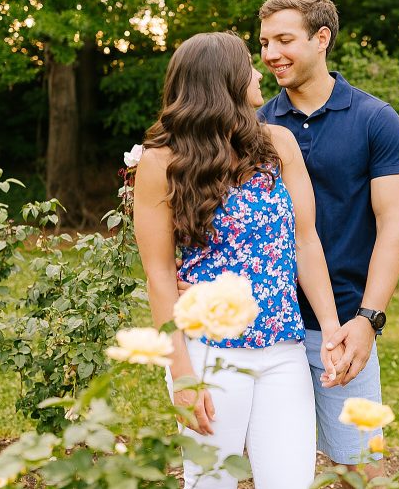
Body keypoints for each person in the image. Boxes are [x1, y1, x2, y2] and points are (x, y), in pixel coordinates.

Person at [133, 32, 343, 489]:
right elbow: (158, 274)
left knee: (290, 481)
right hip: (209, 351)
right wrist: (183, 374)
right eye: (248, 63)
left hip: (282, 347)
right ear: (222, 80)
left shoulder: (278, 144)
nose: (259, 70)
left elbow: (305, 242)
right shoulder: (161, 161)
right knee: (210, 482)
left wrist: (329, 326)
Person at [256, 0, 399, 471]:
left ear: (321, 38)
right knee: (275, 469)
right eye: (264, 43)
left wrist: (369, 319)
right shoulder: (255, 125)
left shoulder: (376, 120)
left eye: (284, 40)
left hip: (342, 326)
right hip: (267, 328)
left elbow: (394, 224)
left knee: (360, 467)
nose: (270, 54)